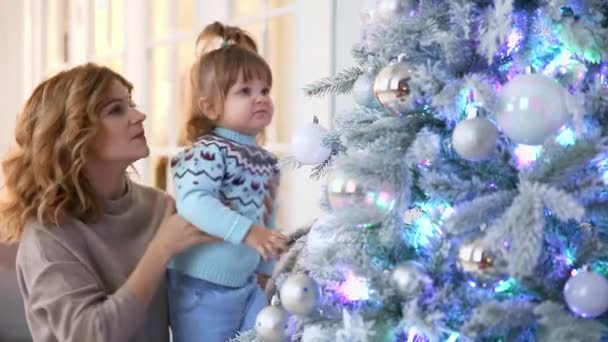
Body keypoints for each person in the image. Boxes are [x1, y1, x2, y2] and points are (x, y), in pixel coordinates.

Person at [0, 63, 219, 342]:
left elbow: (207, 287)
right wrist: (161, 249)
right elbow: (91, 334)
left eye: (131, 104)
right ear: (73, 134)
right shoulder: (47, 236)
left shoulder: (159, 206)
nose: (139, 116)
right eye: (116, 110)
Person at [167, 21, 289, 342]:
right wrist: (248, 232)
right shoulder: (206, 152)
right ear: (209, 107)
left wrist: (264, 273)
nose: (260, 98)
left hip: (248, 285)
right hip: (201, 289)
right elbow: (193, 202)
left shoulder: (266, 162)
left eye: (265, 90)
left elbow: (268, 220)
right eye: (244, 91)